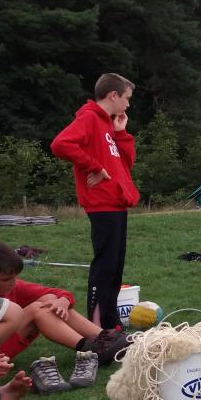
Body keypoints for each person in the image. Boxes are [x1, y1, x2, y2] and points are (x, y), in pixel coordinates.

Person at [50, 72, 140, 330]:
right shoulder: (90, 118)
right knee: (104, 266)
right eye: (126, 98)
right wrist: (94, 166)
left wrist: (121, 134)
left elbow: (125, 165)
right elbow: (60, 144)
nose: (128, 104)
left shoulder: (107, 125)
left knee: (115, 266)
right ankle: (97, 327)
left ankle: (111, 325)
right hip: (102, 203)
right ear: (113, 95)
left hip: (117, 202)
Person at [0, 242, 128, 395]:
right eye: (6, 279)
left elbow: (58, 293)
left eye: (15, 277)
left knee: (49, 299)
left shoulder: (14, 286)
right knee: (37, 310)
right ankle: (91, 348)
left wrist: (63, 301)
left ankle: (104, 338)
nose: (13, 282)